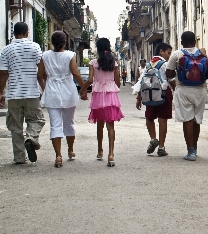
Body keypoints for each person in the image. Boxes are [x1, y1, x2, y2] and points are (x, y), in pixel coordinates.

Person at [37, 31, 87, 167]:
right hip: (68, 91)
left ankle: (58, 156)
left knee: (55, 125)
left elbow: (40, 75)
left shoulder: (45, 55)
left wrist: (45, 88)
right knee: (69, 123)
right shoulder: (70, 55)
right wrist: (83, 89)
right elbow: (75, 73)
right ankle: (70, 150)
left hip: (52, 91)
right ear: (64, 42)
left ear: (52, 42)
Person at [0, 22, 45, 164]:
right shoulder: (35, 47)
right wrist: (44, 87)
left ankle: (19, 157)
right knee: (37, 120)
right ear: (27, 32)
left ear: (14, 33)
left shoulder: (6, 50)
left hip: (13, 94)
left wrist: (1, 93)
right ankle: (31, 138)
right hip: (32, 92)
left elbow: (3, 73)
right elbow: (41, 69)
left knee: (15, 126)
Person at [166, 31, 208, 161]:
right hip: (200, 90)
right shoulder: (202, 54)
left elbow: (169, 73)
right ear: (194, 42)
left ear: (182, 42)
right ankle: (195, 148)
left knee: (187, 120)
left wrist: (174, 83)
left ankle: (190, 151)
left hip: (183, 89)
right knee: (196, 120)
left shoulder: (177, 54)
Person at [79, 38, 124, 167]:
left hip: (98, 94)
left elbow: (89, 80)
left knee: (99, 123)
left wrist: (82, 90)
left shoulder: (94, 62)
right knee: (111, 125)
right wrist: (111, 84)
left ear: (98, 48)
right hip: (110, 94)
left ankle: (100, 151)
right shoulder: (113, 62)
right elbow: (118, 82)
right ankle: (111, 155)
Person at [136, 43, 174, 156]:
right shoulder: (166, 64)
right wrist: (176, 92)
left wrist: (139, 97)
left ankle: (153, 139)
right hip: (163, 93)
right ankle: (161, 147)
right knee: (162, 119)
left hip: (150, 93)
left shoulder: (148, 65)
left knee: (149, 117)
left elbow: (141, 82)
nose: (169, 56)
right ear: (161, 51)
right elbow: (171, 79)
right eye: (168, 53)